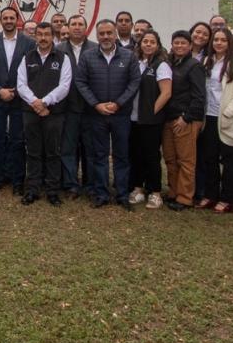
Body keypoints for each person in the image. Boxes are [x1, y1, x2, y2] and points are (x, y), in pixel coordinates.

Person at [76, 19, 141, 210]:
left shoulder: (129, 56)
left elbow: (134, 82)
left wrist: (118, 103)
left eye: (109, 33)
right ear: (97, 36)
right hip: (96, 115)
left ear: (115, 34)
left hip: (121, 115)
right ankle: (101, 194)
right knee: (99, 155)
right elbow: (81, 82)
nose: (105, 37)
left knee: (121, 155)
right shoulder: (87, 56)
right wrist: (96, 104)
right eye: (102, 33)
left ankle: (122, 194)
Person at [16, 22, 72, 206]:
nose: (43, 38)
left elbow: (64, 86)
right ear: (35, 36)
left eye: (47, 34)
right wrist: (35, 102)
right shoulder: (27, 57)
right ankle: (32, 190)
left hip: (53, 113)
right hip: (31, 112)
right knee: (32, 152)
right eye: (39, 34)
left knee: (53, 152)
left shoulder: (63, 58)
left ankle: (52, 191)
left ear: (53, 36)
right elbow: (21, 84)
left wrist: (45, 102)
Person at [0, 6, 36, 195]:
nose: (9, 21)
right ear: (1, 21)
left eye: (12, 18)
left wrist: (18, 91)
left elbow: (32, 71)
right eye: (5, 18)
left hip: (19, 99)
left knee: (18, 140)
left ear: (17, 20)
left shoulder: (29, 43)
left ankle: (17, 180)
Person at [198, 27, 233, 213]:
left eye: (223, 40)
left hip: (228, 118)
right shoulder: (207, 61)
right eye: (216, 40)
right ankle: (211, 194)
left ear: (230, 43)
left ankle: (227, 198)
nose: (219, 43)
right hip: (209, 118)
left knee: (229, 161)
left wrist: (229, 111)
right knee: (210, 158)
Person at [128, 30, 171, 209]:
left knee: (151, 156)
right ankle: (138, 188)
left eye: (152, 42)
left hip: (151, 120)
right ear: (140, 44)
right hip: (133, 118)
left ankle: (155, 192)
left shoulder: (161, 65)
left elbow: (166, 93)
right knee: (136, 154)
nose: (148, 44)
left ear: (158, 45)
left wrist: (151, 112)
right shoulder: (136, 62)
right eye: (145, 41)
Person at [162, 30, 205, 211]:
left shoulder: (194, 66)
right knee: (170, 158)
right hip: (168, 118)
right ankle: (173, 191)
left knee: (186, 161)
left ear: (190, 46)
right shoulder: (170, 64)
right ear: (172, 45)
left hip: (185, 120)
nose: (179, 46)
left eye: (183, 43)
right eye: (176, 43)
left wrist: (186, 117)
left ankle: (185, 197)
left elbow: (199, 96)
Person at [57, 15, 94, 197]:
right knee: (68, 148)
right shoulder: (58, 49)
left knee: (90, 148)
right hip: (68, 107)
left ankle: (90, 183)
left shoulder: (95, 48)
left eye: (80, 24)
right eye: (74, 24)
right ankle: (70, 184)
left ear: (86, 28)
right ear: (68, 27)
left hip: (91, 108)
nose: (77, 27)